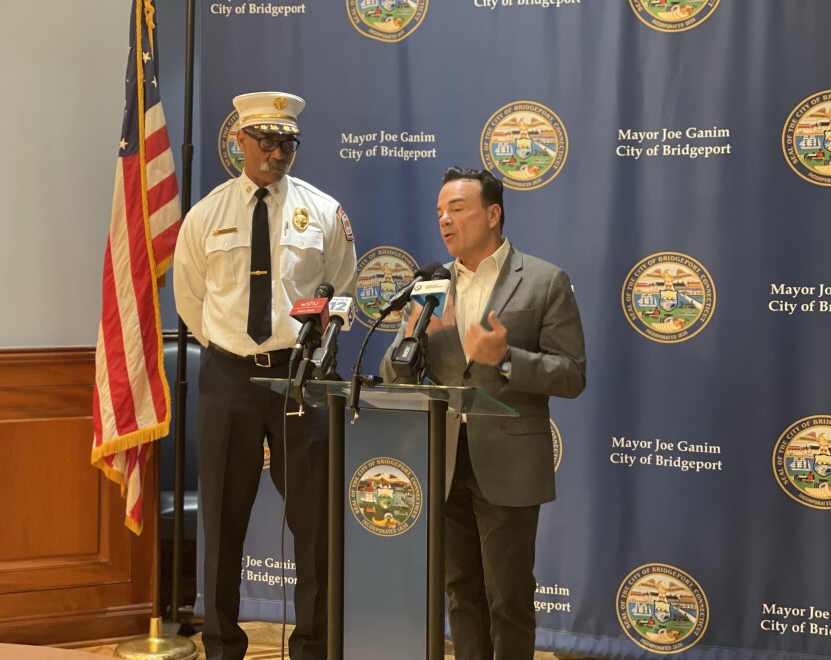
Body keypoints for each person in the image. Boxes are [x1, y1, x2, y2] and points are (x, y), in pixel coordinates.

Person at [173, 91, 357, 660]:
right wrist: (230, 351)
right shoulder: (206, 215)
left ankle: (312, 647)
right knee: (224, 522)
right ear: (240, 142)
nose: (278, 153)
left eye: (288, 143)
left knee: (314, 522)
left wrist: (297, 354)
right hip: (228, 378)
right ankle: (223, 645)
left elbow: (340, 289)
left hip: (299, 376)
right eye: (267, 142)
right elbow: (190, 299)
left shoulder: (324, 212)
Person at [380, 167, 586, 659]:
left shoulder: (543, 281)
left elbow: (572, 374)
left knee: (509, 597)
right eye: (439, 214)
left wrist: (507, 358)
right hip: (445, 458)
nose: (445, 222)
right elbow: (393, 374)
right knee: (460, 591)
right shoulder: (431, 286)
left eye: (457, 209)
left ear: (493, 214)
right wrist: (413, 337)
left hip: (509, 463)